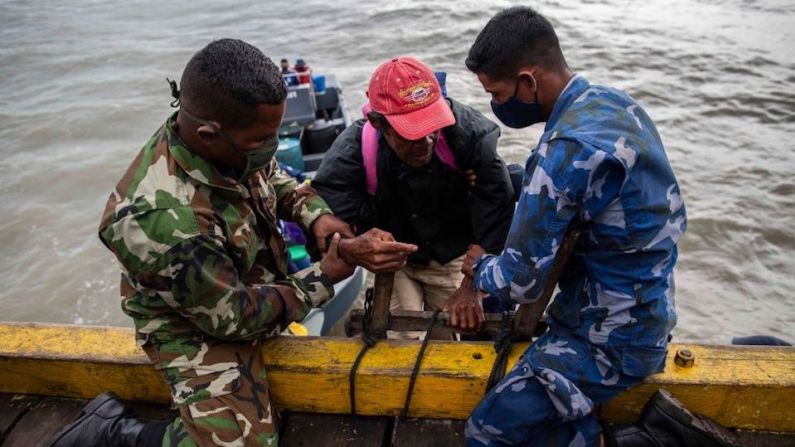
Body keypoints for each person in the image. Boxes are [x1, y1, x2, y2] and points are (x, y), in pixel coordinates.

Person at [49, 38, 416, 447]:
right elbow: (234, 318)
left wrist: (315, 214)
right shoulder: (166, 223)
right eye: (260, 141)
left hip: (239, 284)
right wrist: (325, 275)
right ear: (208, 134)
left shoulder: (232, 145)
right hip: (192, 320)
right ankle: (116, 432)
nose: (269, 147)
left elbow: (271, 175)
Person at [458, 7, 739, 447]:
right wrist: (517, 180)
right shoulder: (615, 104)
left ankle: (652, 440)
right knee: (546, 418)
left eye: (497, 92)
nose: (496, 105)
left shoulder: (563, 152)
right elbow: (596, 196)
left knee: (486, 432)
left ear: (528, 82)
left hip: (605, 340)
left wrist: (480, 267)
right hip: (648, 312)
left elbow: (521, 282)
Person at [312, 56, 516, 337]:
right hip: (396, 261)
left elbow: (498, 201)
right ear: (378, 123)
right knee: (402, 340)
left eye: (431, 126)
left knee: (448, 339)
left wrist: (472, 280)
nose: (427, 140)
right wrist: (359, 246)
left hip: (451, 254)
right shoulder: (351, 153)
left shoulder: (468, 134)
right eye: (412, 133)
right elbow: (332, 220)